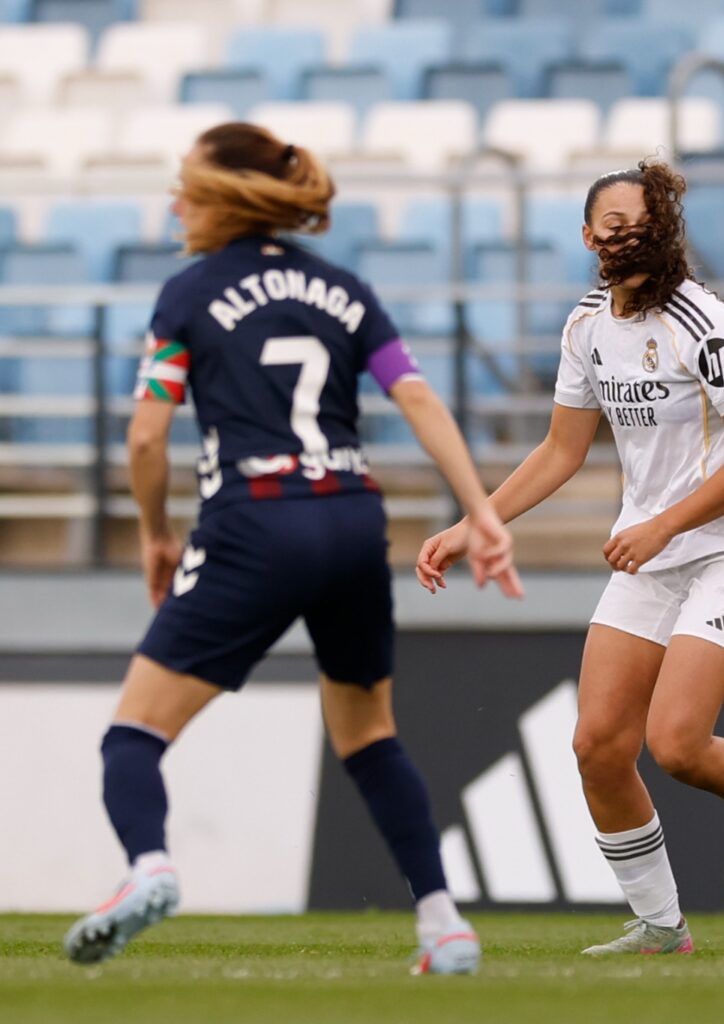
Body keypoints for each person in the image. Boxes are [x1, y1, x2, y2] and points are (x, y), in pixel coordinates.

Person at [64, 123, 521, 974]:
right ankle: (444, 923)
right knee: (370, 735)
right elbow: (416, 398)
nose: (174, 208)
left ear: (223, 200)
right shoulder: (346, 288)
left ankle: (150, 867)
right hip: (351, 518)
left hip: (253, 521)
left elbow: (143, 439)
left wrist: (157, 532)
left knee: (133, 734)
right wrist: (480, 510)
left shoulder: (189, 293)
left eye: (187, 192)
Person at [415, 162, 724, 956]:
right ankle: (662, 926)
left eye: (641, 221)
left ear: (666, 228)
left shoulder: (704, 322)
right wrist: (473, 522)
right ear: (588, 237)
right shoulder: (586, 325)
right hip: (649, 556)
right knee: (597, 745)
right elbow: (561, 451)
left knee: (680, 745)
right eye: (611, 224)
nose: (627, 234)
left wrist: (662, 525)